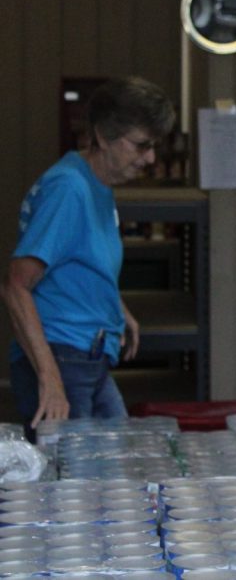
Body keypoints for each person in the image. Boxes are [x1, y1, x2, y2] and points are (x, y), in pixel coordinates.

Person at [2, 76, 175, 440]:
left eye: (154, 146)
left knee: (119, 462)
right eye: (141, 146)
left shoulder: (97, 184)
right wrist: (50, 381)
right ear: (102, 136)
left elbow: (80, 260)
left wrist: (115, 307)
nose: (150, 158)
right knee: (76, 485)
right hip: (63, 357)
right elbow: (16, 285)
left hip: (89, 356)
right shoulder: (69, 189)